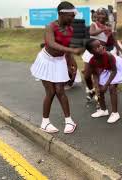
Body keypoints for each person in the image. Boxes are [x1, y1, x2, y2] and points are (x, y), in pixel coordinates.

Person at [30, 1, 84, 134]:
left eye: (73, 16)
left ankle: (69, 121)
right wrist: (70, 50)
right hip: (46, 60)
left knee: (60, 90)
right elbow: (51, 43)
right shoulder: (50, 27)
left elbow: (69, 50)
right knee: (51, 92)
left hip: (59, 61)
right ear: (61, 14)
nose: (73, 18)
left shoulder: (71, 29)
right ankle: (45, 122)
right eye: (71, 16)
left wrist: (72, 64)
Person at [85, 39, 122, 123]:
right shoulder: (92, 61)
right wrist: (96, 87)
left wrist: (106, 85)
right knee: (99, 88)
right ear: (92, 51)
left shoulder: (109, 55)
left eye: (100, 45)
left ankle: (115, 113)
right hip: (105, 69)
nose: (102, 47)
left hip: (116, 69)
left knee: (112, 87)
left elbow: (114, 71)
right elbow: (95, 74)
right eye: (98, 47)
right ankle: (103, 110)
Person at [82, 8, 122, 102]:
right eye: (99, 14)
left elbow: (113, 39)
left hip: (101, 54)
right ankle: (91, 90)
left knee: (98, 77)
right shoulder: (94, 25)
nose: (100, 16)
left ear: (106, 16)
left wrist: (118, 49)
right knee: (87, 76)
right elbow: (91, 33)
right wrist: (102, 29)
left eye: (103, 14)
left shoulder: (108, 27)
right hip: (90, 53)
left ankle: (99, 99)